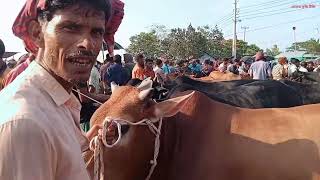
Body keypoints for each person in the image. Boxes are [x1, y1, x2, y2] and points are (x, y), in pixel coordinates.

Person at [0, 0, 123, 179]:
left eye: (96, 32)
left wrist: (88, 141)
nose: (87, 44)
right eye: (70, 28)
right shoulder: (26, 123)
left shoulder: (59, 99)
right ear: (37, 33)